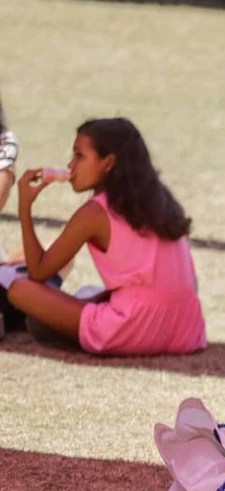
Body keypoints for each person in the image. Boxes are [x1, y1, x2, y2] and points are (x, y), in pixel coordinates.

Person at [8, 118, 207, 355]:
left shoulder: (94, 212)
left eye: (79, 156)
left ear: (108, 162)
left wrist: (24, 208)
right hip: (185, 330)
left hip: (133, 327)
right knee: (92, 294)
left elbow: (38, 272)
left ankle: (69, 332)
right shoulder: (161, 199)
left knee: (20, 289)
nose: (71, 165)